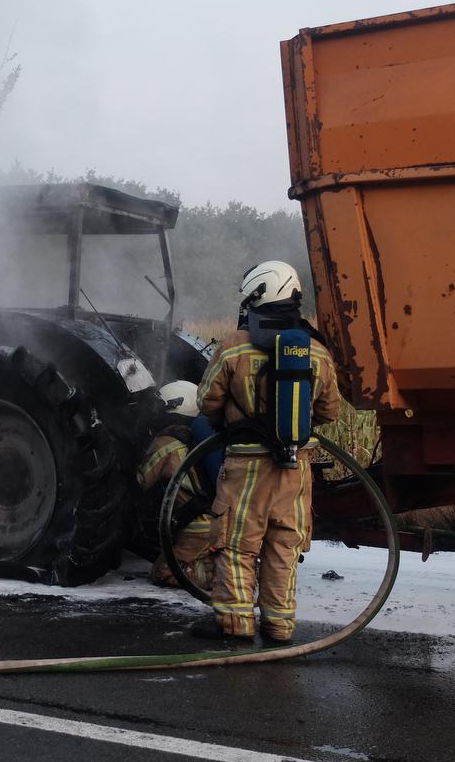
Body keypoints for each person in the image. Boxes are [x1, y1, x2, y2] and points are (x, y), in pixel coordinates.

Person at [192, 261, 341, 643]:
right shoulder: (317, 353)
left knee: (238, 542)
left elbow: (207, 402)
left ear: (257, 294)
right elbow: (329, 411)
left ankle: (234, 623)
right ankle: (279, 625)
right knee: (283, 545)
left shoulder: (232, 348)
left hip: (245, 465)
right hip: (296, 469)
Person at [137, 381, 214, 590]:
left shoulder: (165, 443)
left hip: (197, 526)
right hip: (212, 519)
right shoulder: (197, 440)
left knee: (163, 572)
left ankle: (223, 577)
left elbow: (141, 481)